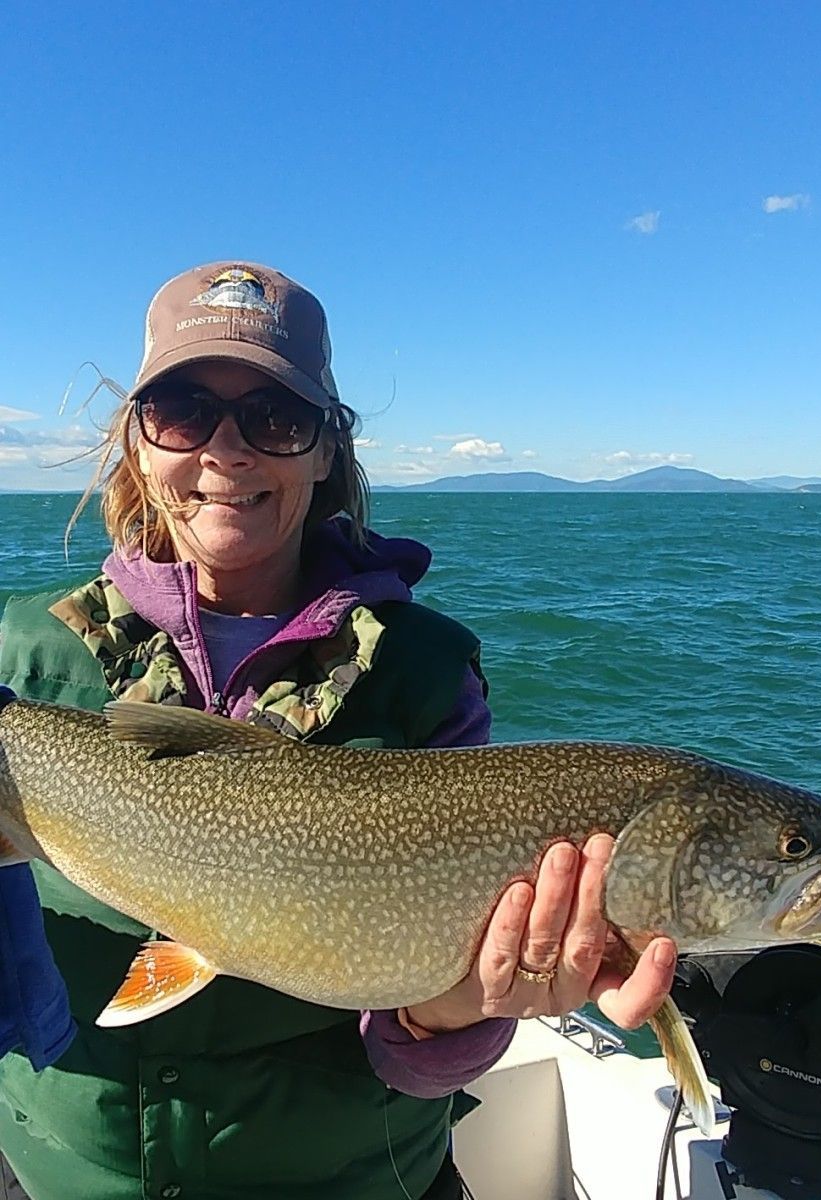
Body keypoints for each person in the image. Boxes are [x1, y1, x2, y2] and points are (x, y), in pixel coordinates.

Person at [0, 262, 677, 1200]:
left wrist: (454, 1012)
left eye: (275, 418)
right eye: (184, 412)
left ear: (327, 449)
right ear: (139, 443)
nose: (227, 451)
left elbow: (414, 1057)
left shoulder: (423, 674)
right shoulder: (21, 654)